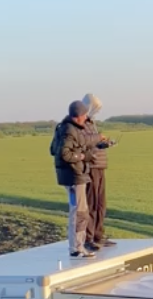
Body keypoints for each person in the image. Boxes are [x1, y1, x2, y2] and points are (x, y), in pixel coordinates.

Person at [51, 100, 104, 258]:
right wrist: (82, 156)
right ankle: (77, 248)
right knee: (80, 213)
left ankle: (76, 247)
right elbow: (63, 154)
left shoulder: (63, 127)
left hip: (72, 175)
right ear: (80, 116)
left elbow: (53, 149)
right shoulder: (69, 130)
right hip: (74, 176)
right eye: (85, 114)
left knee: (78, 211)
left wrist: (96, 140)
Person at [81, 93, 116, 251]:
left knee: (101, 203)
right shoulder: (81, 124)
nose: (97, 111)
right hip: (91, 167)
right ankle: (89, 238)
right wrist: (97, 138)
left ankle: (98, 235)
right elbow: (83, 142)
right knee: (92, 203)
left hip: (100, 165)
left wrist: (103, 143)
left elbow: (93, 142)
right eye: (95, 108)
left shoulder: (91, 123)